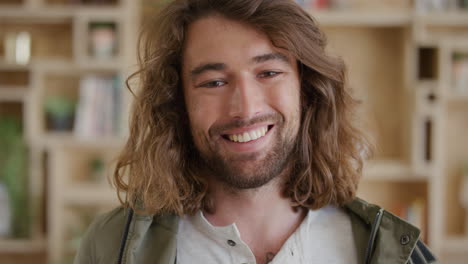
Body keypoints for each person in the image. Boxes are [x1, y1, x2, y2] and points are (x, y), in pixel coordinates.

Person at [74, 0, 438, 263]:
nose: (245, 109)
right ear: (178, 105)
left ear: (306, 89)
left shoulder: (392, 252)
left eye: (268, 73)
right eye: (214, 82)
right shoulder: (110, 247)